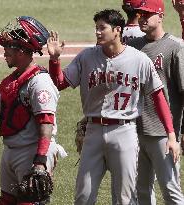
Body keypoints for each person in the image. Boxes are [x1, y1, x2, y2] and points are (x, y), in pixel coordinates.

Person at [47, 9, 179, 204]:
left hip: (124, 130)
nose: (97, 32)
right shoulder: (87, 57)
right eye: (96, 28)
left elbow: (159, 98)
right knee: (83, 197)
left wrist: (171, 135)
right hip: (93, 131)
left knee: (125, 198)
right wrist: (55, 60)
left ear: (117, 30)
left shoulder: (139, 60)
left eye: (102, 28)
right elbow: (59, 83)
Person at [0, 16, 66, 205]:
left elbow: (46, 122)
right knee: (6, 201)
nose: (4, 52)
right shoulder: (12, 80)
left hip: (31, 152)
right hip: (11, 151)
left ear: (22, 51)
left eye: (8, 47)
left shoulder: (40, 82)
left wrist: (40, 160)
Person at [126, 0, 184, 204]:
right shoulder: (132, 47)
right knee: (141, 190)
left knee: (170, 190)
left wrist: (179, 134)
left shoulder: (174, 47)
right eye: (139, 14)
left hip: (164, 134)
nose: (141, 17)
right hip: (134, 130)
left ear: (160, 16)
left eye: (147, 14)